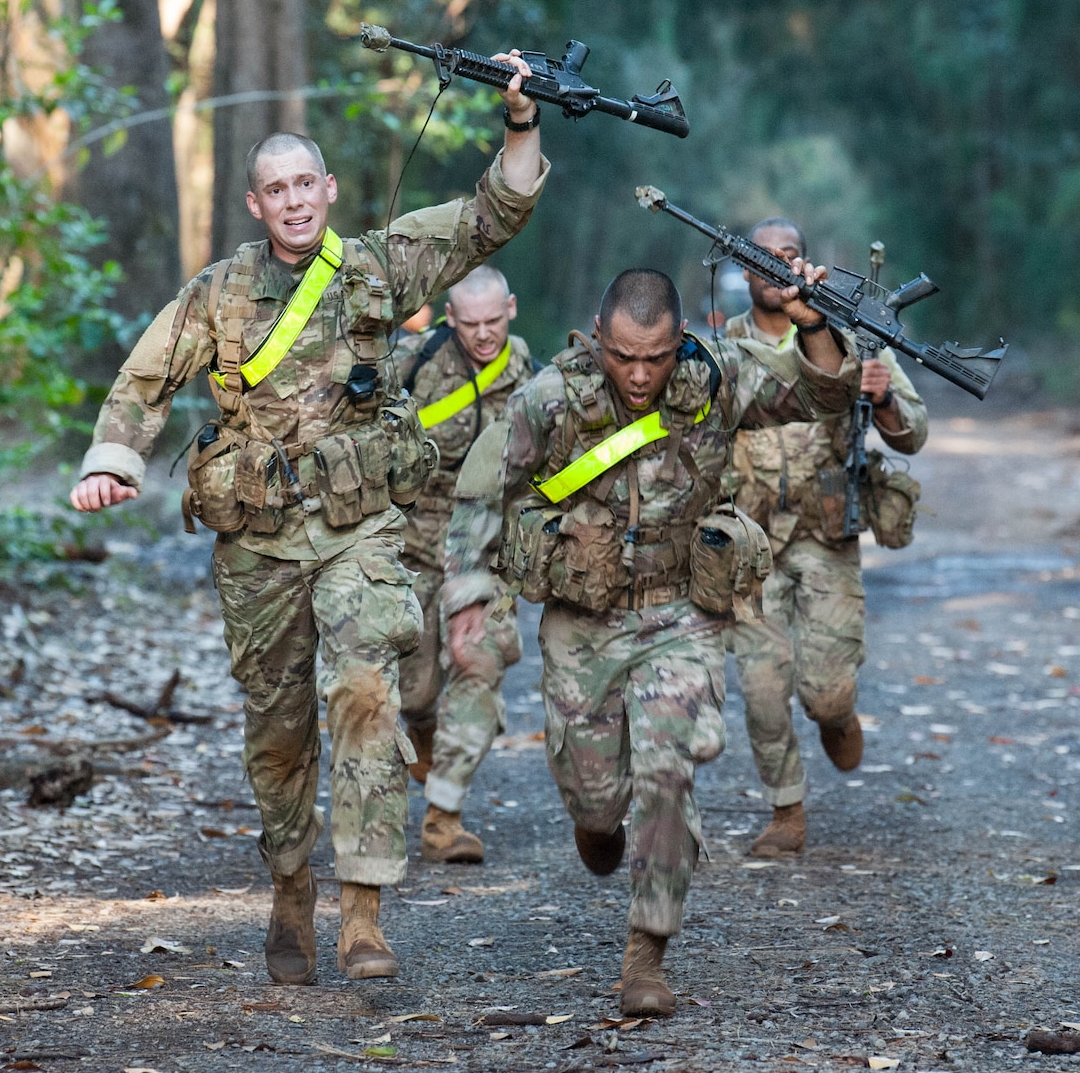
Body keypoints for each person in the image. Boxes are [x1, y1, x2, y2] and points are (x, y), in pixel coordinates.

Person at [67, 58, 547, 986]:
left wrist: (521, 120)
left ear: (329, 190)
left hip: (361, 528)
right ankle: (291, 883)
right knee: (280, 728)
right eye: (275, 190)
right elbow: (143, 378)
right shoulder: (219, 292)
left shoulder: (378, 265)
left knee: (366, 692)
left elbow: (496, 211)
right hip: (257, 539)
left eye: (305, 185)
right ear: (255, 203)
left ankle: (364, 913)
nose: (293, 202)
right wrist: (111, 459)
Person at [446, 265, 858, 1016]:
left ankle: (646, 955)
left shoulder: (716, 377)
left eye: (657, 356)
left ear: (680, 343)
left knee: (668, 769)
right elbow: (484, 491)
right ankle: (597, 825)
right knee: (598, 807)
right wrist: (469, 598)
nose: (639, 374)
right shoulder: (554, 397)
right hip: (582, 619)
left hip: (682, 615)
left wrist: (812, 322)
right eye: (624, 355)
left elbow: (824, 394)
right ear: (598, 337)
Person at [721, 217, 927, 857]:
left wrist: (884, 397)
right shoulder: (718, 352)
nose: (779, 267)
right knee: (760, 688)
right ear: (746, 272)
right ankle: (787, 811)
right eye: (765, 257)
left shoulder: (855, 340)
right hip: (750, 541)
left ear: (806, 267)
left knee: (825, 689)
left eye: (791, 255)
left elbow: (912, 434)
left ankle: (837, 716)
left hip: (824, 535)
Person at [387, 266, 535, 864]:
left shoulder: (534, 381)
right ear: (450, 317)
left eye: (493, 322)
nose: (482, 335)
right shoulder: (414, 366)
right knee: (415, 690)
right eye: (469, 324)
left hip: (487, 560)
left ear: (513, 310)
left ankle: (444, 817)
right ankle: (422, 730)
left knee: (481, 662)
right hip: (414, 551)